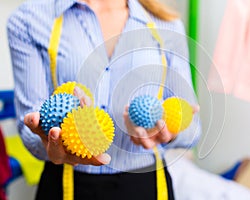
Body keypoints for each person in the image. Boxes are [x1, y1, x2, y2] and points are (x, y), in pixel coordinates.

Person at [7, 0, 201, 199]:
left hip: (145, 185)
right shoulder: (28, 20)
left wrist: (165, 132)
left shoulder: (166, 24)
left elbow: (193, 129)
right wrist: (50, 143)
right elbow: (30, 127)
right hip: (66, 184)